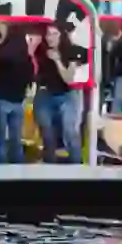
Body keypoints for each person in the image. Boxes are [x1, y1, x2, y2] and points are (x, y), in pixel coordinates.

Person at [33, 24, 84, 163]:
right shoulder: (40, 50)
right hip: (46, 93)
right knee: (47, 134)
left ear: (62, 35)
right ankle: (50, 166)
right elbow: (35, 72)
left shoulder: (71, 51)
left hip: (67, 94)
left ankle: (77, 166)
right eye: (48, 34)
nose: (50, 38)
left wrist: (57, 60)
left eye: (54, 34)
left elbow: (68, 79)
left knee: (69, 131)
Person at [0, 24, 34, 164]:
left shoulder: (3, 56)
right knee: (16, 141)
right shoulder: (26, 60)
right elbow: (30, 78)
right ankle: (17, 173)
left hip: (0, 98)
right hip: (18, 101)